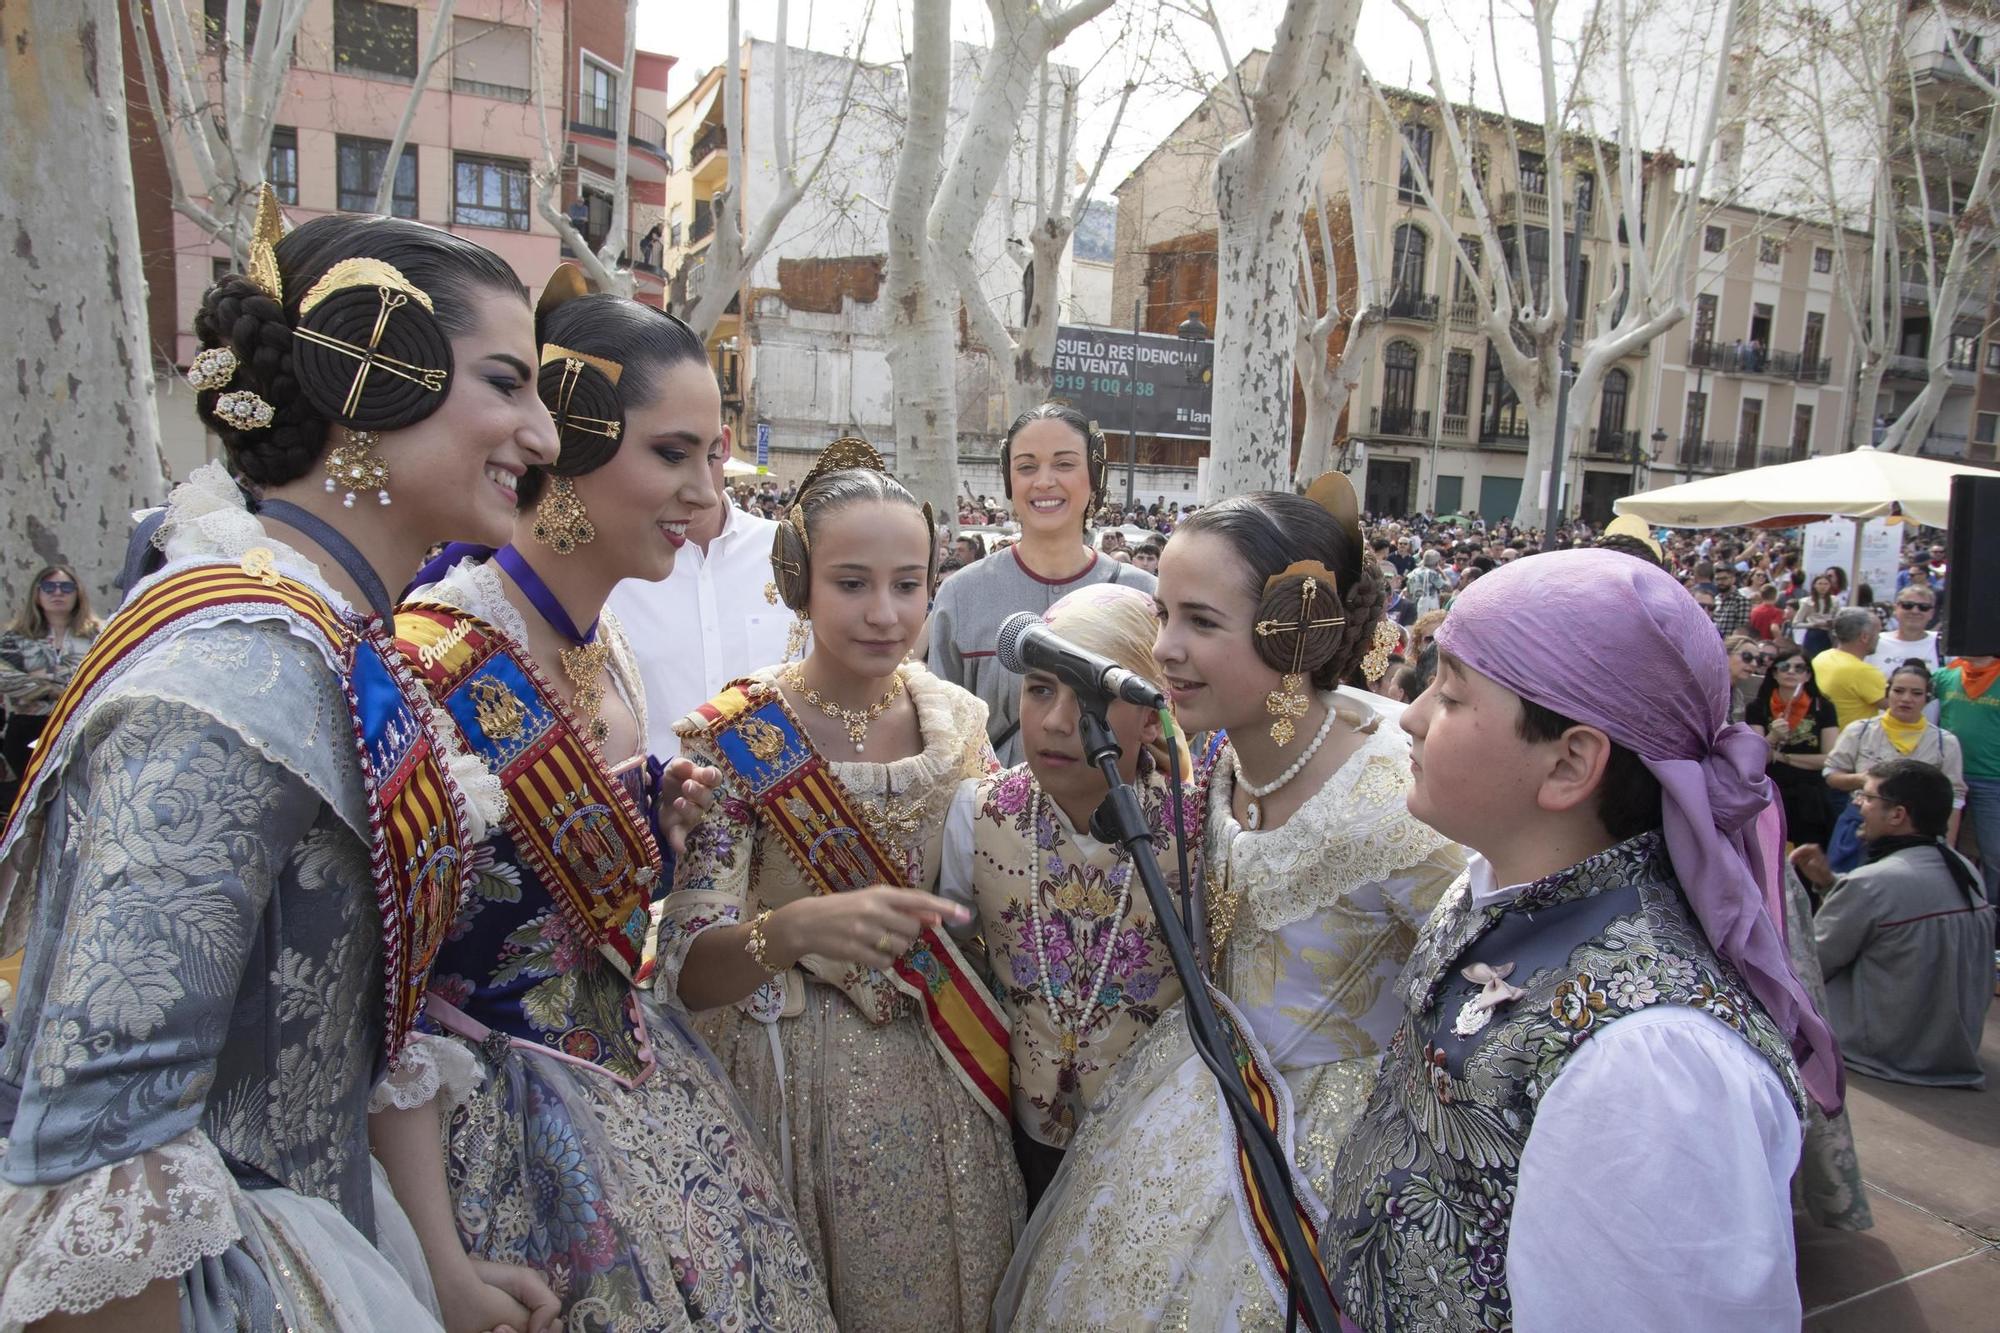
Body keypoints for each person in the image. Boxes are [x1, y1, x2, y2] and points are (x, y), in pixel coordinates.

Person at [0, 200, 566, 1331]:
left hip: (321, 1241)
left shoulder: (328, 645)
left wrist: (440, 1274)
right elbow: (91, 1150)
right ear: (372, 378)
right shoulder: (231, 678)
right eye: (504, 383)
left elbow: (355, 1036)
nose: (544, 436)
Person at [387, 285, 835, 1329]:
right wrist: (438, 1260)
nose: (702, 489)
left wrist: (653, 819)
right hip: (490, 1139)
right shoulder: (434, 656)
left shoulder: (604, 643)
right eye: (670, 454)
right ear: (571, 449)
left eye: (712, 456)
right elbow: (390, 991)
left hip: (637, 1082)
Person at [1325, 548, 1840, 1333]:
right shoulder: (1497, 882)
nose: (1413, 715)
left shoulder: (1654, 1063)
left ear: (1570, 764)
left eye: (1452, 693)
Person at [996, 477, 1464, 1329]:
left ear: (1297, 630)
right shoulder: (1217, 756)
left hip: (1332, 1156)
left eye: (1200, 623)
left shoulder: (1397, 791)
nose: (1164, 647)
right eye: (1163, 612)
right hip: (1195, 1094)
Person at [660, 439, 1023, 1332]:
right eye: (852, 582)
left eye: (909, 582)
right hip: (781, 1082)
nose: (885, 612)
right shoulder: (739, 736)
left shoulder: (962, 726)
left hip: (943, 1073)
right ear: (799, 582)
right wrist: (792, 929)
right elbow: (685, 966)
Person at [936, 583, 1195, 1212]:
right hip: (1015, 1135)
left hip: (1155, 1145)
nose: (1055, 722)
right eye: (1040, 689)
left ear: (1146, 709)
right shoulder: (977, 814)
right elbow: (952, 961)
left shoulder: (1199, 828)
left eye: (1094, 699)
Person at [930, 404, 1154, 765]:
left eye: (1064, 464)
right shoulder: (961, 595)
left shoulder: (1144, 594)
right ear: (1009, 480)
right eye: (1027, 467)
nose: (1044, 481)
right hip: (990, 816)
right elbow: (941, 738)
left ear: (1095, 475)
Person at [606, 395, 794, 764]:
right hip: (651, 811)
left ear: (723, 446)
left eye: (703, 454)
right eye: (670, 455)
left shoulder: (786, 553)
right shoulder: (614, 568)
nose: (694, 487)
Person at [1796, 760, 1993, 1087]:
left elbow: (1809, 967)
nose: (1858, 803)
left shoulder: (1871, 884)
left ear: (1898, 815)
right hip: (1950, 1052)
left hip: (1884, 1053)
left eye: (1867, 797)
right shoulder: (1965, 870)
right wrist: (1831, 884)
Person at [1822, 662, 1965, 872]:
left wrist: (1947, 846)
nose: (1906, 699)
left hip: (1917, 832)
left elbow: (1955, 797)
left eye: (1916, 693)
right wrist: (1864, 780)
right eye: (1898, 691)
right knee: (1843, 890)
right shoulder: (1860, 731)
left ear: (1927, 698)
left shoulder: (1945, 742)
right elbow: (1831, 774)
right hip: (1861, 823)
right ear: (1888, 693)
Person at [0, 564, 102, 811]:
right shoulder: (15, 637)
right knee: (26, 806)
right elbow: (6, 680)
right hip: (27, 728)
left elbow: (100, 679)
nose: (58, 592)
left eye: (66, 587)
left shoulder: (99, 635)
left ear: (78, 593)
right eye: (49, 587)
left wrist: (36, 678)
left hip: (78, 728)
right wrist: (60, 686)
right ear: (37, 593)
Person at [1747, 643, 1842, 847]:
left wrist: (1782, 757)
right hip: (1771, 793)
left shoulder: (1823, 707)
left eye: (1799, 668)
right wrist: (1771, 736)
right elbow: (1756, 759)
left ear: (1807, 676)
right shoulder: (1758, 707)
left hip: (1811, 797)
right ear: (1774, 673)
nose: (1791, 671)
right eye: (1784, 666)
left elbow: (1829, 759)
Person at [1935, 654, 2000, 904]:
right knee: (1940, 849)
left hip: (1993, 779)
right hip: (1946, 776)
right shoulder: (1945, 675)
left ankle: (1993, 921)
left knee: (1994, 856)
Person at [1814, 608, 1889, 731]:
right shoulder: (1863, 672)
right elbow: (1898, 705)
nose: (1880, 638)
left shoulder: (1821, 657)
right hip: (1852, 745)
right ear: (1864, 637)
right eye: (1878, 633)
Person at [1865, 585, 1941, 675]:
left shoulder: (1942, 643)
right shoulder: (1874, 641)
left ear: (1932, 613)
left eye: (1923, 607)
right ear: (1896, 608)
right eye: (1907, 605)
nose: (1915, 611)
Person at [1725, 633, 1773, 725]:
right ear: (1726, 655)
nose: (1754, 664)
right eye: (1747, 657)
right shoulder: (1707, 689)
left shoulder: (1737, 696)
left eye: (1758, 660)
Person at [1793, 571, 1843, 657]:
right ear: (1814, 585)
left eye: (1826, 584)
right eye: (1820, 584)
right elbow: (1795, 623)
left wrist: (1832, 623)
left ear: (1830, 585)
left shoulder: (1835, 601)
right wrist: (1813, 624)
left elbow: (1839, 619)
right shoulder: (1807, 602)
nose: (1823, 587)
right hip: (1813, 635)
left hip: (1828, 635)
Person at [1710, 564, 1752, 638]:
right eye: (1717, 579)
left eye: (1724, 578)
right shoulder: (1716, 599)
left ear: (1733, 579)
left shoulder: (1741, 601)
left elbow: (1742, 630)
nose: (1720, 582)